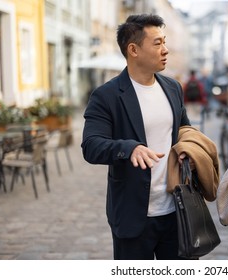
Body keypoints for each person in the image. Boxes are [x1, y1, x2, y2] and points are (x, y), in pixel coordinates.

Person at [81, 14, 191, 260]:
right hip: (132, 216)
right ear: (133, 50)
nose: (165, 50)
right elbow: (91, 146)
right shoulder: (106, 95)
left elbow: (184, 131)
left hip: (176, 211)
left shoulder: (172, 88)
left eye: (165, 42)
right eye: (157, 43)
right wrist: (130, 148)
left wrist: (189, 148)